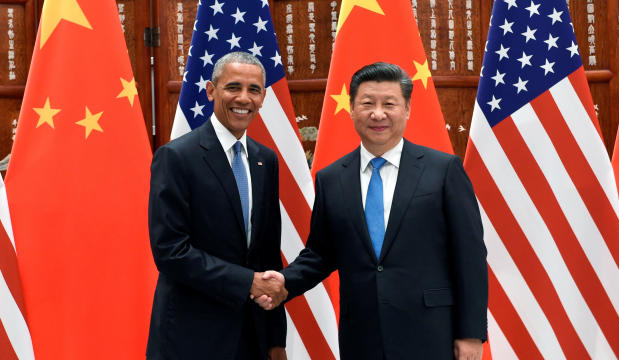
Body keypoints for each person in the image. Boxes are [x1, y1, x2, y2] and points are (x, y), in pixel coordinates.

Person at [259, 62, 488, 359]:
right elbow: (321, 253)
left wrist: (470, 334)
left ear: (406, 109)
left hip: (431, 332)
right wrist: (285, 281)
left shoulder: (443, 171)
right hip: (362, 334)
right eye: (367, 103)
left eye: (389, 104)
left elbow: (469, 256)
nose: (378, 114)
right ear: (352, 109)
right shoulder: (331, 178)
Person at [146, 52, 287, 360]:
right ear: (211, 90)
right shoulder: (177, 157)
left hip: (251, 337)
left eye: (254, 90)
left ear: (263, 96)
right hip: (191, 337)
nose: (244, 98)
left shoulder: (267, 160)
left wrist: (276, 339)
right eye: (233, 87)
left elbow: (267, 254)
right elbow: (170, 251)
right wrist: (247, 281)